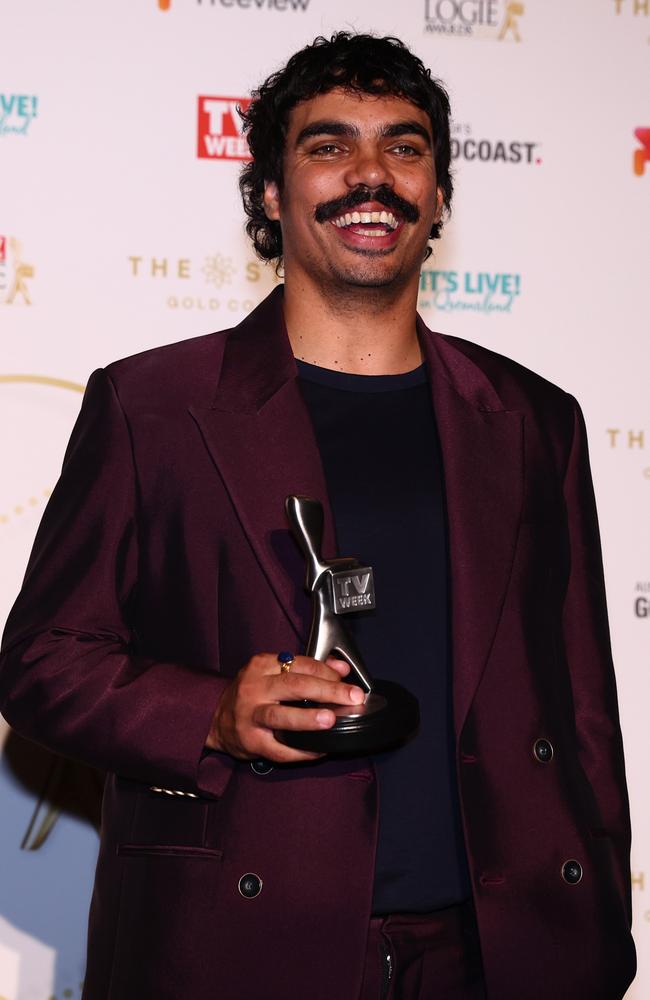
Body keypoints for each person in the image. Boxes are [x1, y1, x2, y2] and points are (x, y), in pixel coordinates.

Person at [0, 32, 636, 1000]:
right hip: (235, 951)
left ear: (437, 194)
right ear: (268, 192)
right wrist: (210, 712)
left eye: (405, 146)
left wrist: (599, 935)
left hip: (498, 956)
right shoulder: (152, 406)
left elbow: (580, 706)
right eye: (329, 146)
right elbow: (43, 663)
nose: (370, 174)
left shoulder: (532, 420)